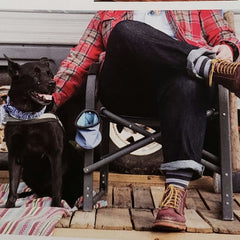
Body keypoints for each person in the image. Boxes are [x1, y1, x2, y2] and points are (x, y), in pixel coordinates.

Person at [52, 10, 240, 231]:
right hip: (128, 91)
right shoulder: (109, 12)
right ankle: (208, 66)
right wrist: (51, 99)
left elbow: (226, 36)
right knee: (124, 31)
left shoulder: (195, 5)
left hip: (180, 90)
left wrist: (227, 48)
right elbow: (80, 58)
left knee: (186, 84)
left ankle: (174, 195)